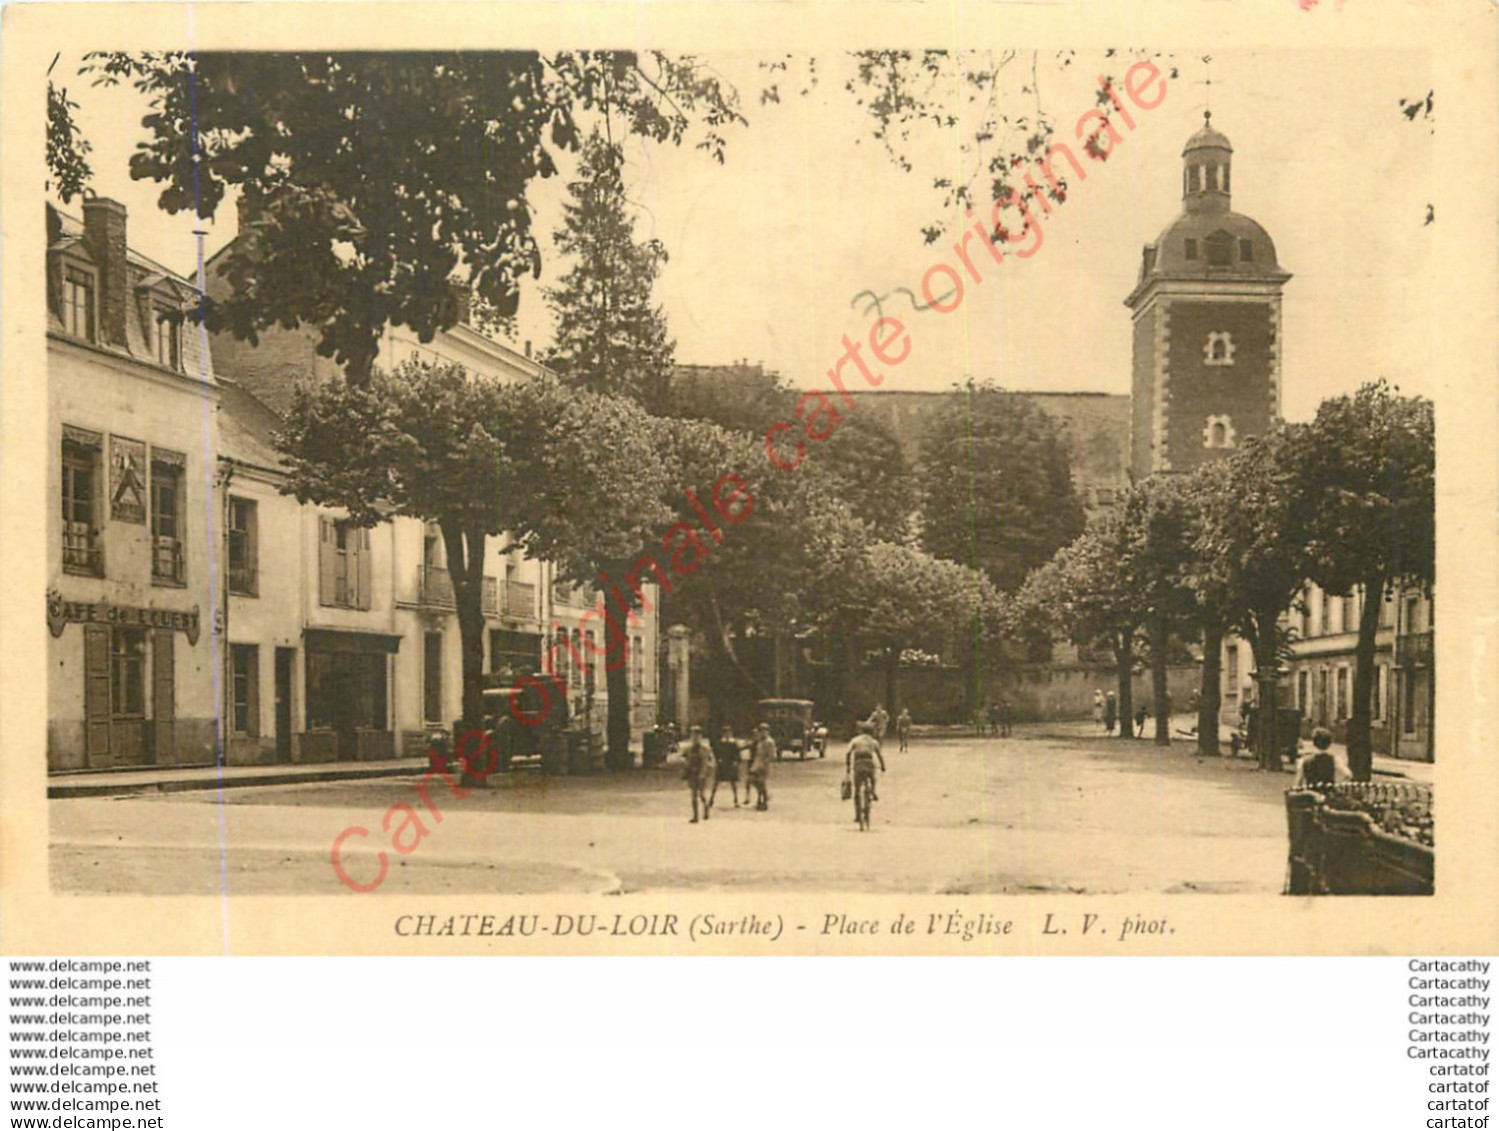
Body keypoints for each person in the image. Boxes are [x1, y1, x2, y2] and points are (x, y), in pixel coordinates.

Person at [844, 721, 886, 815]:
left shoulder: (855, 740)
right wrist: (883, 766)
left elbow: (848, 753)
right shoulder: (873, 741)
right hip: (869, 762)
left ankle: (857, 815)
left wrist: (848, 766)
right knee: (873, 779)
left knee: (857, 789)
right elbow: (879, 755)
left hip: (858, 763)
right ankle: (873, 792)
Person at [680, 726, 716, 823]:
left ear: (700, 736)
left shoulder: (705, 749)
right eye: (693, 735)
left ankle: (706, 807)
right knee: (694, 794)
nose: (694, 738)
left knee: (701, 794)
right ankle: (695, 816)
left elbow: (709, 760)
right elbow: (682, 757)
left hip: (702, 773)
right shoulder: (689, 748)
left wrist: (705, 772)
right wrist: (685, 762)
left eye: (696, 735)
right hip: (692, 773)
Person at [712, 724, 742, 808]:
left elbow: (737, 753)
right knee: (716, 782)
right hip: (722, 764)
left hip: (730, 764)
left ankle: (736, 800)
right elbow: (716, 752)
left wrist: (736, 761)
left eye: (728, 732)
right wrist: (718, 759)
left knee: (733, 783)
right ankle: (711, 799)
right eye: (725, 733)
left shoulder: (733, 743)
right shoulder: (720, 743)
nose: (727, 734)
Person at [747, 723, 775, 811]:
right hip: (757, 763)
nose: (762, 733)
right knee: (753, 780)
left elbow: (771, 755)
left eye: (764, 731)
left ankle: (763, 801)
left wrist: (764, 764)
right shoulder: (760, 741)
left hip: (764, 765)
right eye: (761, 731)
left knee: (761, 783)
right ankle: (763, 798)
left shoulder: (769, 742)